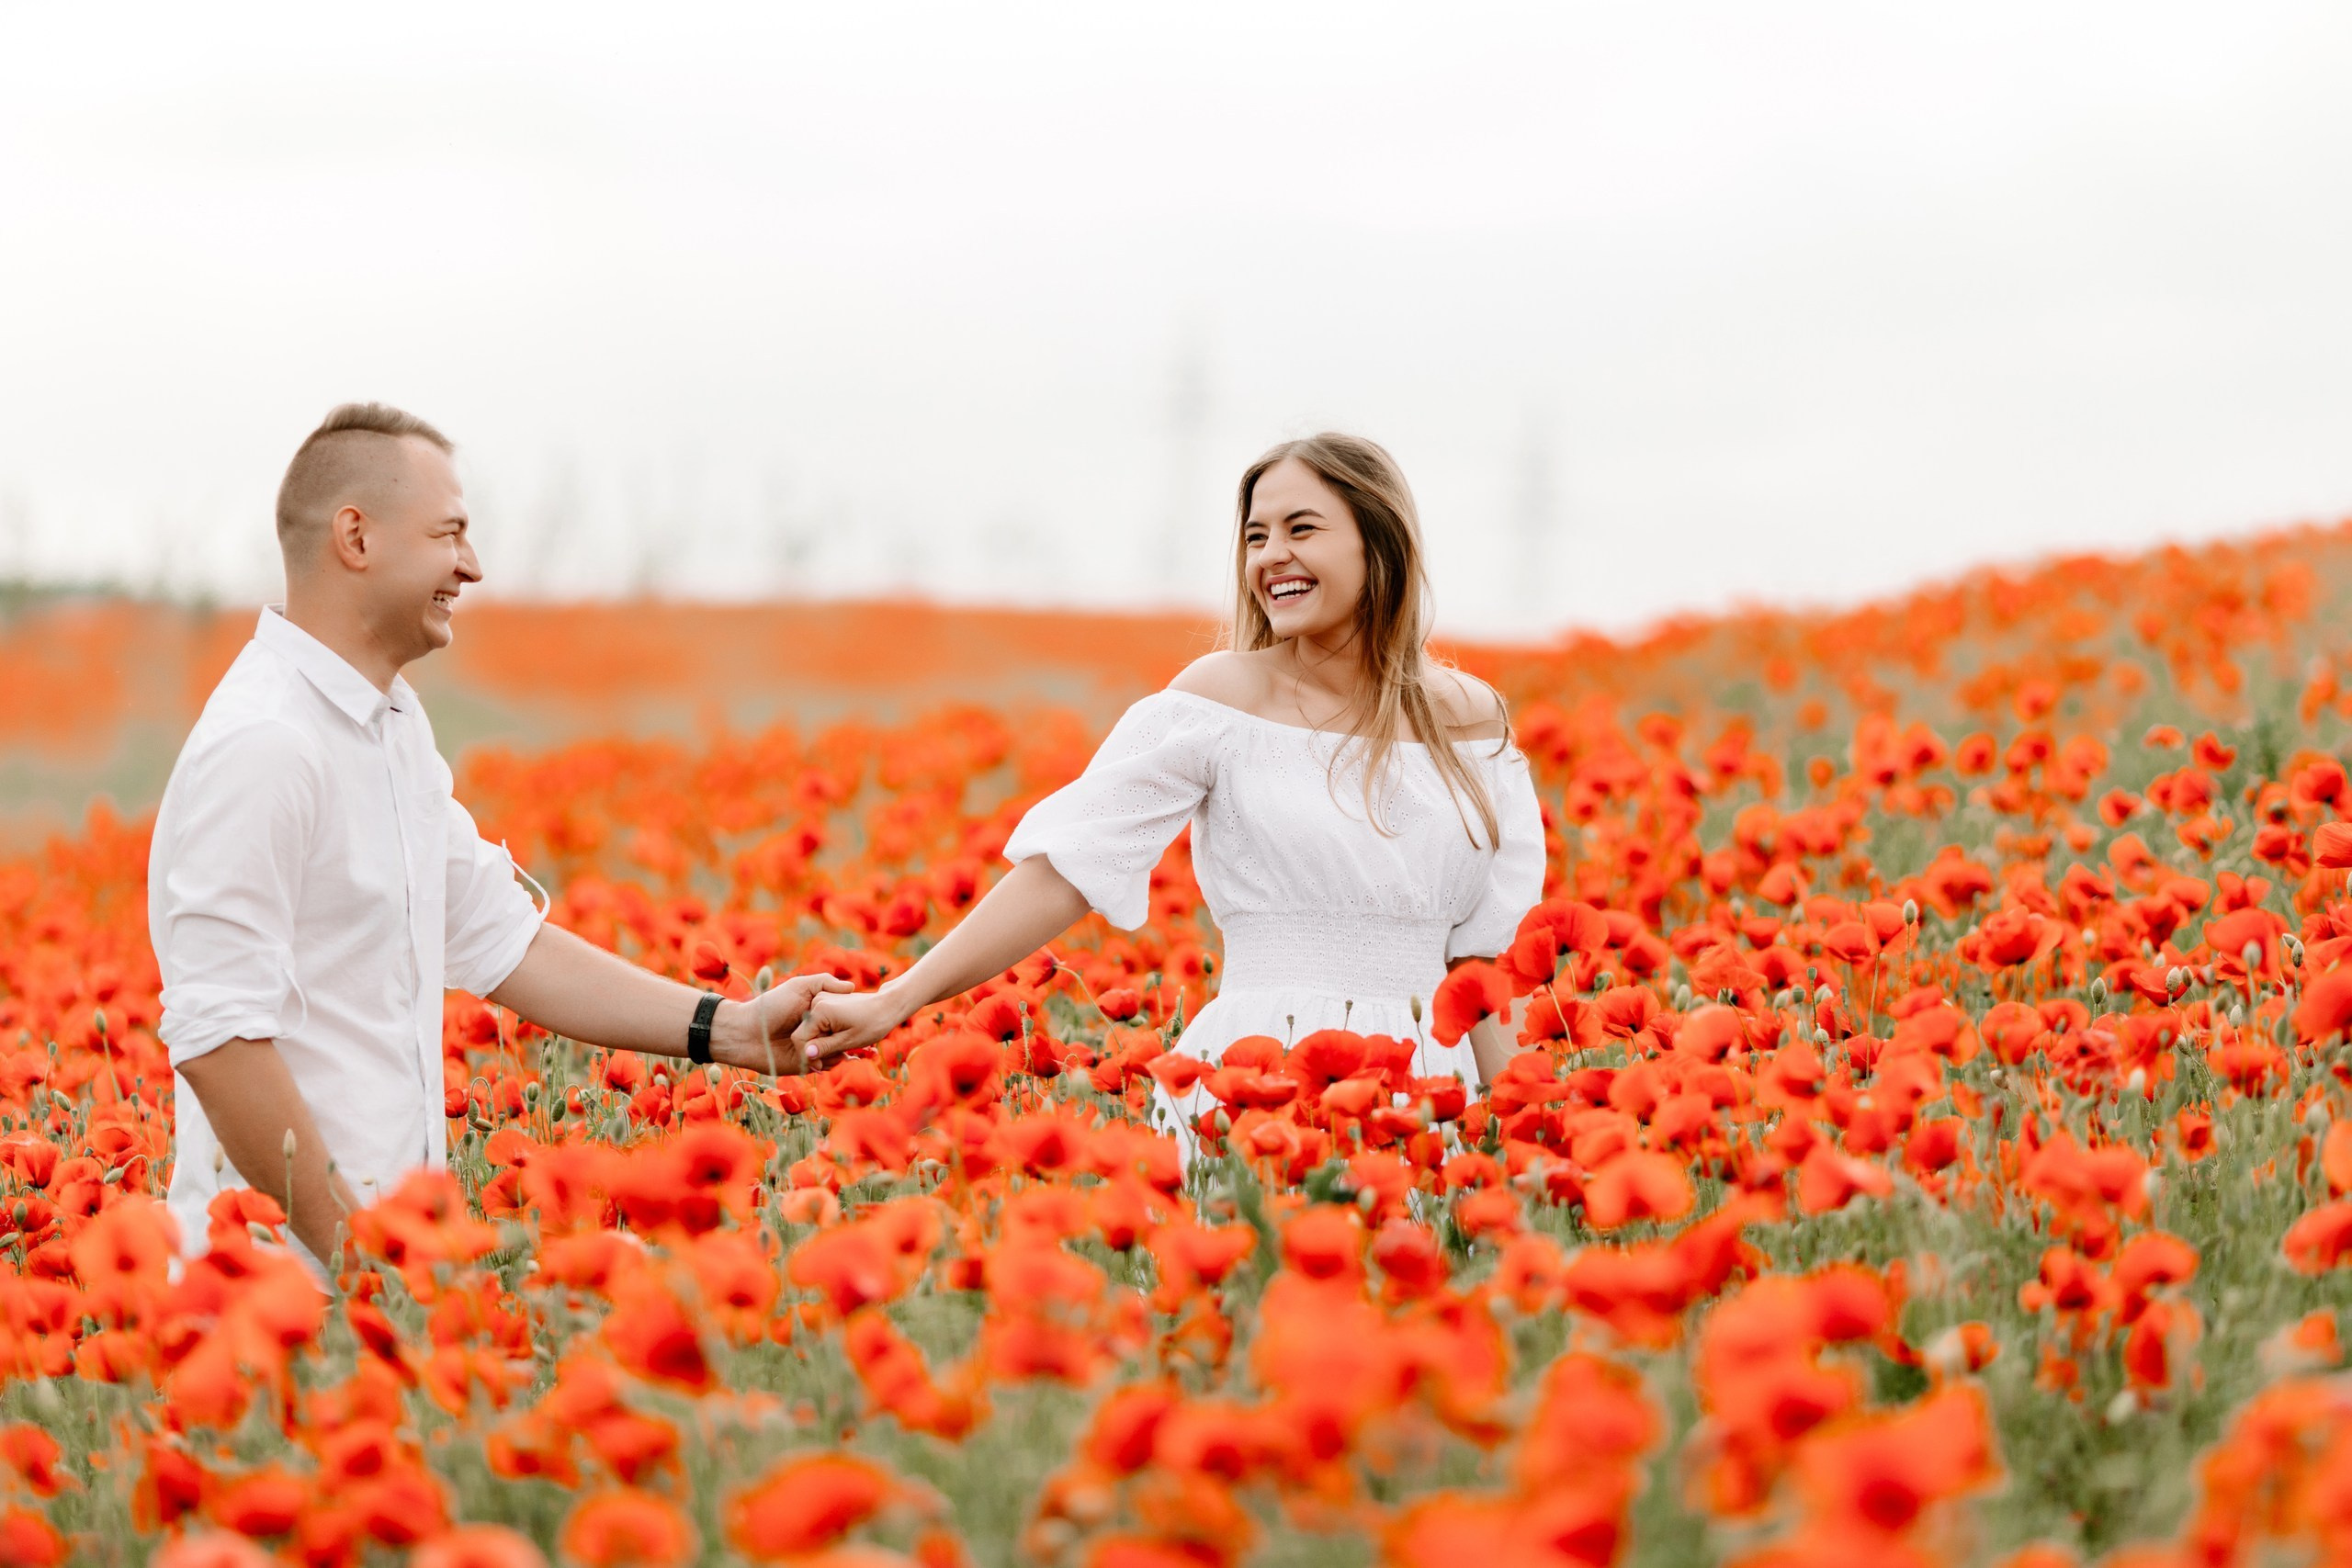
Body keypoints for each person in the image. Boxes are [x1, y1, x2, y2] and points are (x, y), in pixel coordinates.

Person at [150, 401, 853, 1278]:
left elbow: (502, 941)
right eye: (450, 533)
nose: (471, 567)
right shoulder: (266, 744)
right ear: (356, 537)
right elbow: (219, 1039)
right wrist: (359, 1261)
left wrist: (736, 1030)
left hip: (392, 1271)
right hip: (273, 1284)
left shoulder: (389, 729)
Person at [795, 433, 1544, 1151]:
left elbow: (1477, 966)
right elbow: (1068, 869)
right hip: (1256, 1076)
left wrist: (1526, 1146)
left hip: (1428, 1092)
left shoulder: (1472, 722)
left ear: (1378, 540)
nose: (1271, 556)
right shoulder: (1220, 701)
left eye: (1300, 528)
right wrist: (896, 998)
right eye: (1255, 536)